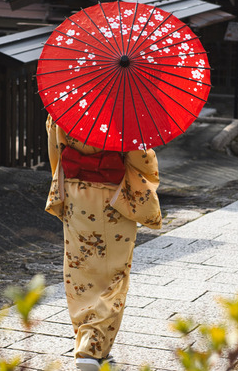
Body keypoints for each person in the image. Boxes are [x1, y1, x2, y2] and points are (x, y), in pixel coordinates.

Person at [45, 115, 162, 371]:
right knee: (113, 276)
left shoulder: (64, 107)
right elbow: (142, 159)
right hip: (113, 196)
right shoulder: (124, 111)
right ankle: (91, 348)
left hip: (76, 195)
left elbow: (56, 152)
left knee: (80, 273)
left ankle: (91, 345)